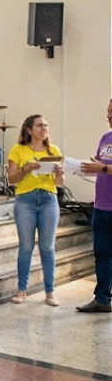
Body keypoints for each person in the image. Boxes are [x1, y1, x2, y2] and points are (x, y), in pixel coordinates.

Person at [7, 115, 64, 306]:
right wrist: (26, 169)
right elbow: (11, 179)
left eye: (46, 125)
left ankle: (50, 292)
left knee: (47, 248)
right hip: (25, 201)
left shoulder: (53, 150)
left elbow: (59, 184)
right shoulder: (18, 150)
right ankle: (22, 290)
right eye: (39, 125)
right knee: (26, 247)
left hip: (48, 200)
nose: (44, 128)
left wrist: (60, 175)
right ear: (29, 130)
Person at [77, 100, 112, 313]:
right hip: (101, 207)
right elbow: (101, 165)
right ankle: (102, 299)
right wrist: (90, 166)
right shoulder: (106, 137)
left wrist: (103, 167)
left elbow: (105, 167)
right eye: (108, 111)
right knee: (102, 254)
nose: (108, 116)